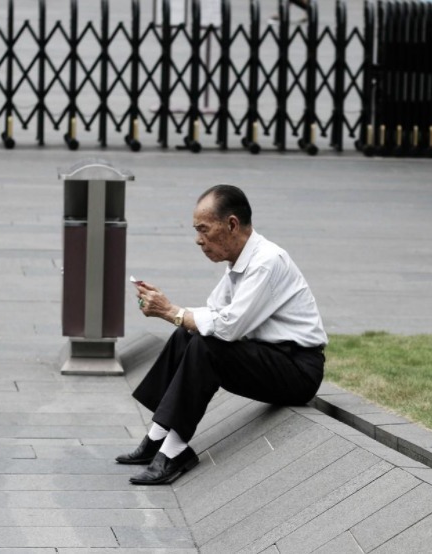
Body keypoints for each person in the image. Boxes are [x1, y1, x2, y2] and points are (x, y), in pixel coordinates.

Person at [115, 184, 327, 485]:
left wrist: (171, 311)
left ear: (231, 224)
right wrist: (172, 311)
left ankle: (175, 451)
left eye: (204, 230)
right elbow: (213, 312)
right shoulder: (240, 261)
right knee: (186, 335)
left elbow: (228, 328)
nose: (199, 240)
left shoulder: (267, 261)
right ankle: (157, 438)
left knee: (205, 346)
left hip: (298, 371)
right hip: (271, 358)